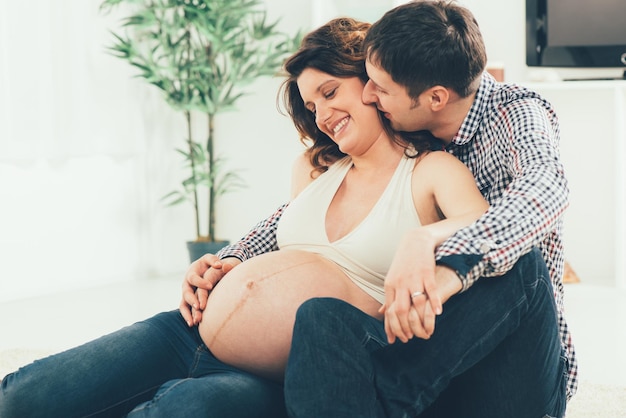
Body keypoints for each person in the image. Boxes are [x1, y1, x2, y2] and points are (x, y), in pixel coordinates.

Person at [0, 17, 489, 417]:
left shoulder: (429, 171)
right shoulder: (314, 169)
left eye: (330, 91)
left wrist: (423, 240)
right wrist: (227, 264)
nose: (320, 114)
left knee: (170, 414)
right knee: (23, 397)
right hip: (190, 331)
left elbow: (484, 225)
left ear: (372, 85)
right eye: (311, 104)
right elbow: (292, 258)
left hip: (280, 373)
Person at [184, 2, 576, 418]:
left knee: (522, 264)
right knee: (321, 318)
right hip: (430, 349)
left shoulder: (515, 114)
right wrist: (236, 256)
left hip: (508, 361)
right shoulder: (410, 130)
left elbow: (545, 189)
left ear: (434, 98)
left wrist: (437, 252)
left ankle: (386, 397)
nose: (369, 95)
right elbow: (298, 211)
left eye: (380, 88)